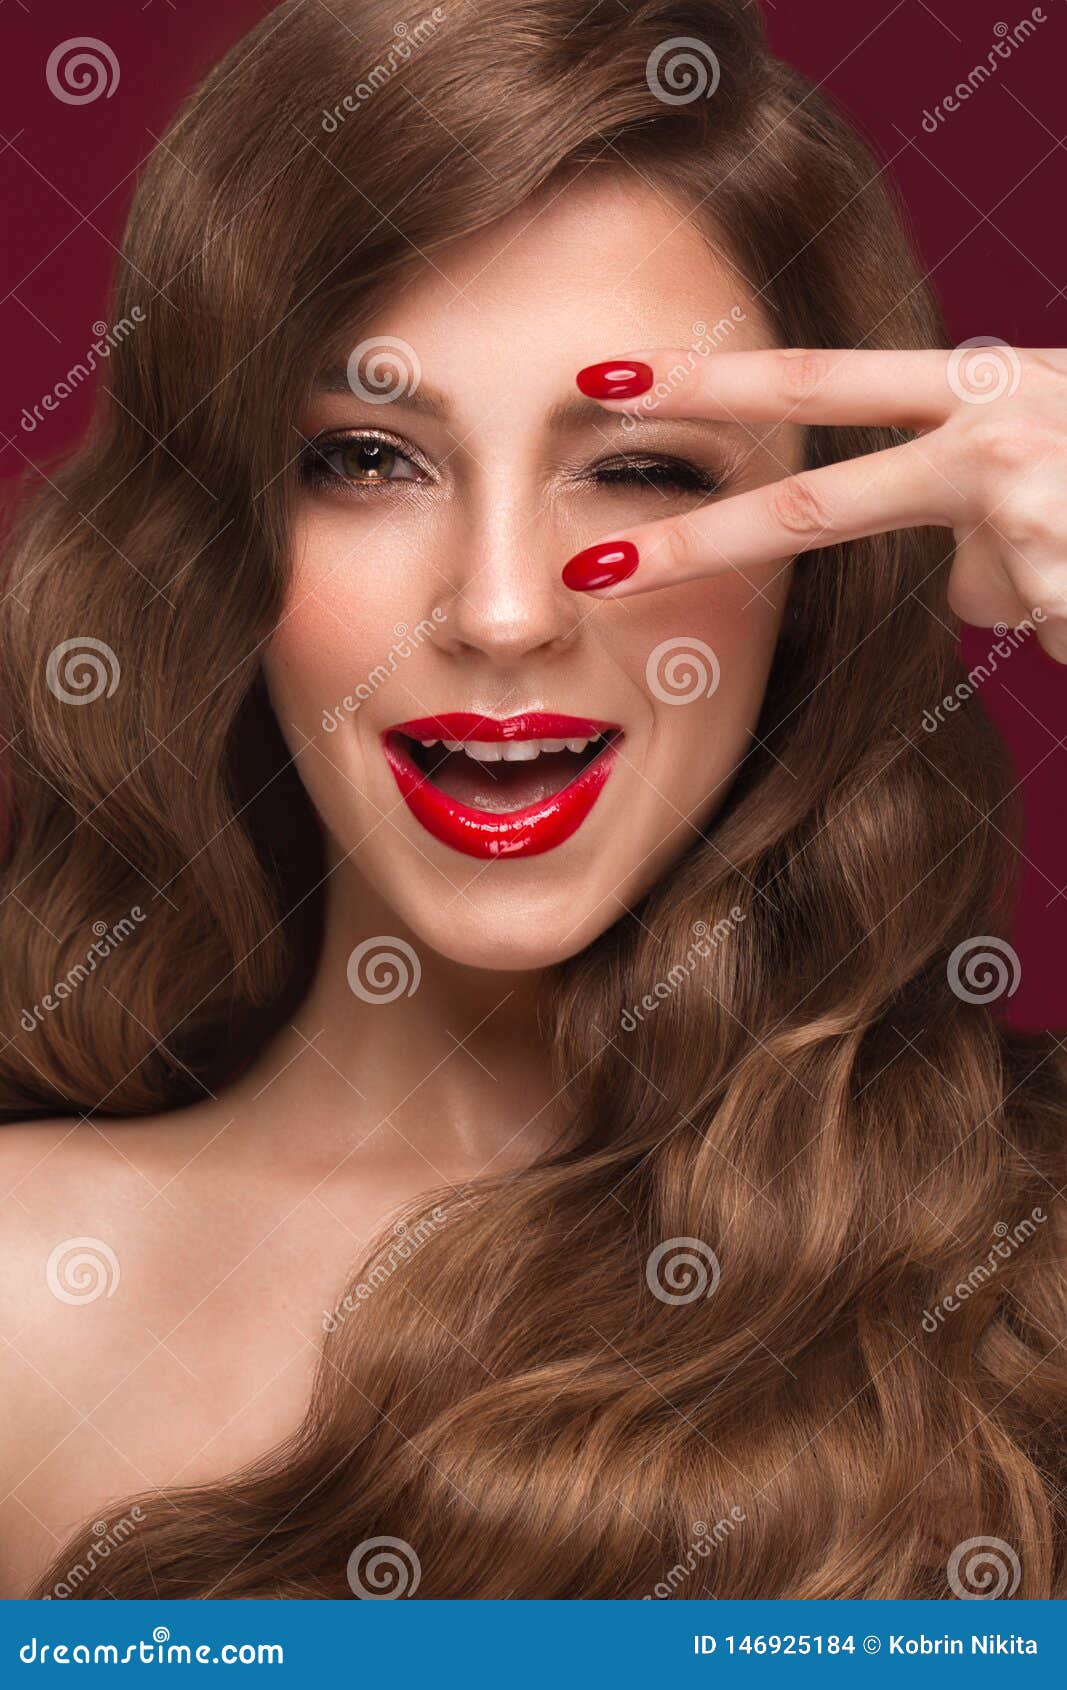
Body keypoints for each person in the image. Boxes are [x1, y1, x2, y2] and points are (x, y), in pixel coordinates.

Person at [0, 0, 1064, 1600]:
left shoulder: (1021, 1235)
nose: (502, 613)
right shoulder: (27, 1292)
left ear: (825, 553)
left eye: (642, 467)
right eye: (367, 458)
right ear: (223, 540)